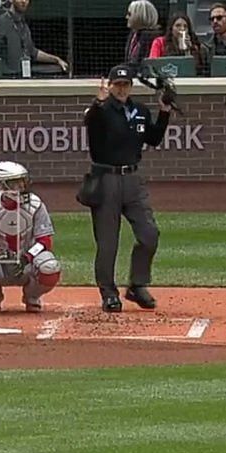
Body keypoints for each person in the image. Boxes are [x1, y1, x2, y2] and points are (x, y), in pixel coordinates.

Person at [80, 64, 171, 313]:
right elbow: (90, 123)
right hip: (105, 178)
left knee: (149, 233)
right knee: (108, 242)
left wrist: (164, 111)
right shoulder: (101, 110)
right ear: (109, 86)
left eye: (125, 85)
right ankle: (108, 292)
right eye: (117, 84)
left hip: (132, 179)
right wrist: (97, 104)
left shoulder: (139, 111)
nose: (121, 89)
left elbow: (153, 138)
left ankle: (137, 284)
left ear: (131, 86)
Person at [0, 161, 61, 313]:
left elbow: (45, 241)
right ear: (1, 185)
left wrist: (27, 257)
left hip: (27, 263)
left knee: (50, 266)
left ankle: (32, 297)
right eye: (16, 183)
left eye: (22, 182)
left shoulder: (36, 205)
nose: (21, 187)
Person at [0, 0, 69, 75]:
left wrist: (56, 59)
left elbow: (32, 52)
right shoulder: (3, 21)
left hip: (22, 74)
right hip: (7, 76)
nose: (23, 1)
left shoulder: (23, 24)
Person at [147, 12, 209, 76]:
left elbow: (196, 70)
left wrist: (188, 51)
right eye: (178, 25)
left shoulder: (194, 46)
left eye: (185, 26)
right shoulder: (159, 42)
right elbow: (152, 64)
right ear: (172, 28)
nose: (182, 29)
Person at [124, 0, 161, 65]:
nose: (126, 17)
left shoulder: (151, 38)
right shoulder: (133, 35)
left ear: (139, 16)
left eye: (129, 14)